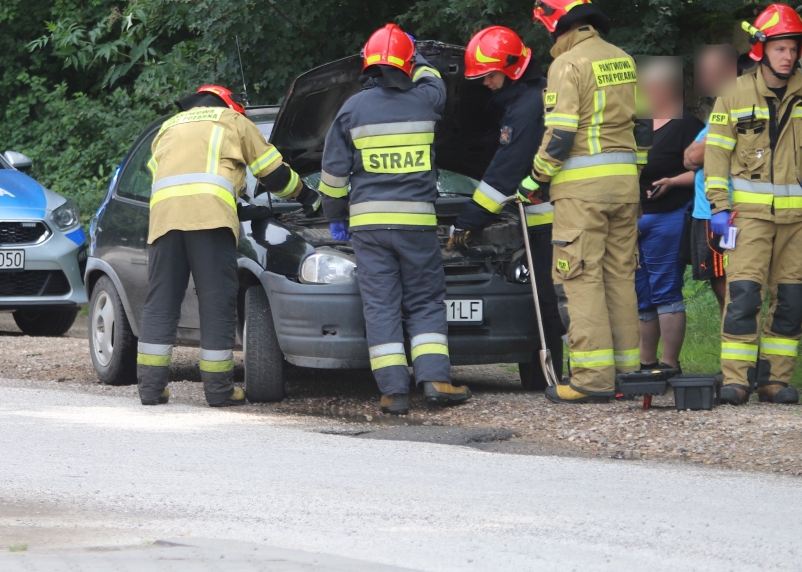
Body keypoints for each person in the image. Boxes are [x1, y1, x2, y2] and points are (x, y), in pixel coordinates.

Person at [319, 24, 472, 416]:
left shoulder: (352, 109)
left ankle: (393, 392)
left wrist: (336, 217)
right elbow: (434, 77)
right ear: (406, 64)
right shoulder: (427, 101)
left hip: (369, 228)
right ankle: (435, 380)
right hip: (417, 226)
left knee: (381, 305)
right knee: (424, 301)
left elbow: (334, 176)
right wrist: (416, 55)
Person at [138, 84, 318, 406]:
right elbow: (274, 175)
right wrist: (307, 196)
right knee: (216, 301)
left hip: (164, 219)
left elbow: (168, 175)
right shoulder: (233, 122)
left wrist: (237, 204)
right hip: (210, 221)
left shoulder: (169, 127)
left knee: (161, 302)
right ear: (231, 104)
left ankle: (151, 389)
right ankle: (220, 392)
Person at [704, 4, 802, 405]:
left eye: (793, 48)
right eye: (780, 48)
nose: (788, 55)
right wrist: (717, 207)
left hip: (798, 220)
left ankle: (773, 380)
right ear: (761, 50)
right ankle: (736, 379)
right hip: (747, 219)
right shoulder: (733, 95)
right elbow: (715, 156)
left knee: (790, 302)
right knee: (744, 297)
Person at [518, 0, 649, 404]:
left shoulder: (567, 65)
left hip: (582, 191)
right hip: (625, 188)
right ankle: (628, 373)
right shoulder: (624, 60)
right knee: (619, 278)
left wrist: (534, 180)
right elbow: (642, 128)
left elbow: (559, 135)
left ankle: (592, 378)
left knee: (580, 278)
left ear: (555, 21)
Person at [447, 25, 567, 370]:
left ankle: (566, 373)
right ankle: (567, 372)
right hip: (548, 217)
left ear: (511, 68)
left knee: (552, 299)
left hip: (550, 220)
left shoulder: (528, 106)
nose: (485, 83)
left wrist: (467, 222)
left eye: (489, 75)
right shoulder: (528, 98)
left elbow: (506, 172)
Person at [635, 57, 703, 376]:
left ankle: (669, 365)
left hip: (669, 217)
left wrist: (673, 181)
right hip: (635, 219)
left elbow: (704, 170)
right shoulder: (639, 122)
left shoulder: (687, 125)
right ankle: (646, 364)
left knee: (665, 290)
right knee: (642, 293)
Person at [682, 45, 738, 309]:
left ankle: (740, 341)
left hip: (725, 209)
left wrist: (699, 151)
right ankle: (734, 340)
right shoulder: (719, 109)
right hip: (706, 211)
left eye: (713, 71)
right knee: (718, 284)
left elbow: (694, 156)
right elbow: (690, 158)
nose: (707, 77)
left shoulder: (737, 105)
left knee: (730, 286)